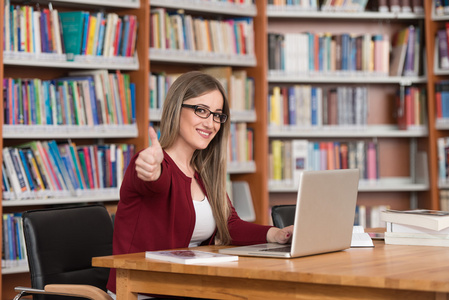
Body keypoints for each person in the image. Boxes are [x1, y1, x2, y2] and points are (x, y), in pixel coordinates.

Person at [106, 71, 293, 297]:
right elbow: (156, 182)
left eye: (217, 115)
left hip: (187, 288)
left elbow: (230, 224)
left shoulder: (203, 175)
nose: (211, 123)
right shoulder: (151, 165)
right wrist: (151, 168)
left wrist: (275, 234)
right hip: (141, 291)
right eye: (201, 111)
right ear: (176, 108)